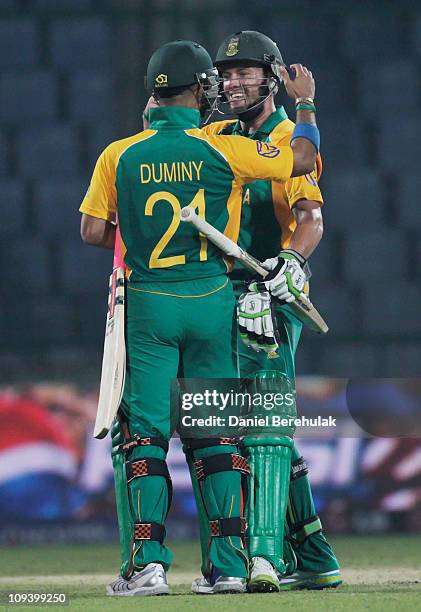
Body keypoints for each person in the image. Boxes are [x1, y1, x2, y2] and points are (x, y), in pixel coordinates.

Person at [80, 39, 319, 596]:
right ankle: (230, 568)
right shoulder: (221, 150)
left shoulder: (119, 154)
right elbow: (303, 160)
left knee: (144, 436)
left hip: (149, 307)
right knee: (218, 436)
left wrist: (139, 232)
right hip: (214, 303)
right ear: (198, 90)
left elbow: (93, 231)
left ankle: (148, 568)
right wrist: (305, 106)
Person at [187, 30, 341, 593]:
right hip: (219, 295)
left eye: (246, 72)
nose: (233, 82)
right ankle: (317, 557)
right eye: (227, 74)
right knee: (248, 425)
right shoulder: (219, 136)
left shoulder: (286, 135)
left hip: (271, 294)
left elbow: (311, 217)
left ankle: (265, 560)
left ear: (272, 77)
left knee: (264, 427)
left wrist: (290, 265)